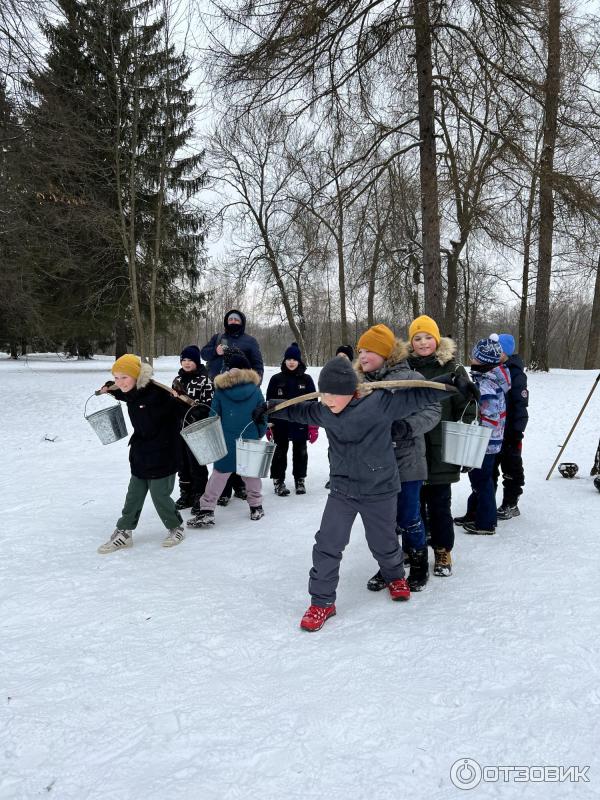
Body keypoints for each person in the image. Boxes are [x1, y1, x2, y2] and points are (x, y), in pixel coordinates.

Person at [253, 356, 478, 631]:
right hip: (343, 489)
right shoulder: (325, 409)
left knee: (383, 542)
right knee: (327, 544)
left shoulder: (380, 404)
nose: (328, 400)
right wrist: (271, 408)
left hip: (380, 488)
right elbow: (299, 411)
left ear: (351, 390)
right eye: (324, 394)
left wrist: (452, 383)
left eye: (334, 394)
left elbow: (417, 395)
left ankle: (394, 575)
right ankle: (322, 602)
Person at [356, 324, 440, 593]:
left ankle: (417, 565)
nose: (362, 356)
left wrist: (406, 427)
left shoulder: (409, 377)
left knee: (408, 516)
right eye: (360, 351)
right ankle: (389, 567)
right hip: (374, 464)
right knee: (383, 521)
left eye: (368, 350)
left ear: (383, 353)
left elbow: (432, 408)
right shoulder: (360, 383)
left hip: (407, 461)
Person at [96, 354, 185, 553]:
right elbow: (122, 392)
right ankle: (124, 532)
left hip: (164, 452)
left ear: (136, 376)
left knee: (159, 495)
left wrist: (179, 399)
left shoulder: (158, 395)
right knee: (134, 495)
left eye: (124, 377)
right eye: (117, 377)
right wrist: (109, 388)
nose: (120, 382)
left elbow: (184, 412)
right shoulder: (132, 391)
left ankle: (175, 527)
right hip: (142, 452)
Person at [407, 315, 475, 577]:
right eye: (417, 338)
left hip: (440, 447)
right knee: (412, 504)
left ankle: (443, 549)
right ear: (411, 342)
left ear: (437, 340)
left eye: (428, 337)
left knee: (439, 504)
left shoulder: (454, 369)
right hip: (411, 448)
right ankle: (415, 548)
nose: (423, 342)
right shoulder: (405, 368)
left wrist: (466, 439)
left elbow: (466, 407)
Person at [187, 349, 267, 528]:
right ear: (247, 370)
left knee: (219, 475)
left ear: (228, 369)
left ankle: (207, 509)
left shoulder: (221, 390)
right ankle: (256, 506)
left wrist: (217, 436)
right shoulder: (255, 390)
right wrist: (258, 433)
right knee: (251, 474)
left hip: (226, 438)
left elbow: (214, 416)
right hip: (249, 437)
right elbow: (263, 415)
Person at [201, 309, 264, 504]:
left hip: (245, 392)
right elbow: (204, 354)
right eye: (230, 319)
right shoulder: (218, 338)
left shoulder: (250, 341)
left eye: (237, 319)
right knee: (225, 441)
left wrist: (254, 387)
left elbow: (258, 365)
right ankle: (224, 492)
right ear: (226, 322)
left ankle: (240, 487)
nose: (234, 321)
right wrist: (216, 351)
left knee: (242, 441)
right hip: (218, 389)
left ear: (242, 322)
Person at [454, 335, 511, 535]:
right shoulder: (489, 378)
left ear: (483, 362)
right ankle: (474, 513)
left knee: (481, 480)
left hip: (485, 442)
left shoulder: (486, 385)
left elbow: (489, 416)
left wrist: (475, 431)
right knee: (479, 479)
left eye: (475, 358)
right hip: (488, 440)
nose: (472, 360)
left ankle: (486, 522)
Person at [266, 342, 317, 496]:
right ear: (284, 361)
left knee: (300, 452)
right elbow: (269, 403)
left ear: (299, 361)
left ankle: (300, 480)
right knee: (280, 452)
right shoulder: (276, 379)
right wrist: (268, 425)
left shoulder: (306, 379)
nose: (291, 362)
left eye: (294, 359)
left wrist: (313, 426)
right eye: (288, 359)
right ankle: (278, 481)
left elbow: (313, 404)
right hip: (280, 423)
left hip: (300, 422)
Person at [171, 345, 214, 512]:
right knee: (182, 463)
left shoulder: (205, 380)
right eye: (184, 360)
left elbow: (208, 405)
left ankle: (199, 495)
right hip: (179, 428)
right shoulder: (177, 380)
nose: (187, 363)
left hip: (197, 428)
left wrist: (194, 413)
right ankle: (186, 494)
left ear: (197, 362)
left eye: (190, 360)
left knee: (196, 463)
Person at [493, 333, 529, 519]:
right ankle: (486, 503)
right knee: (490, 468)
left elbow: (520, 405)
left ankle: (511, 503)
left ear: (506, 352)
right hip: (494, 430)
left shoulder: (516, 374)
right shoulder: (492, 370)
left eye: (498, 350)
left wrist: (517, 431)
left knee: (511, 468)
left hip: (510, 431)